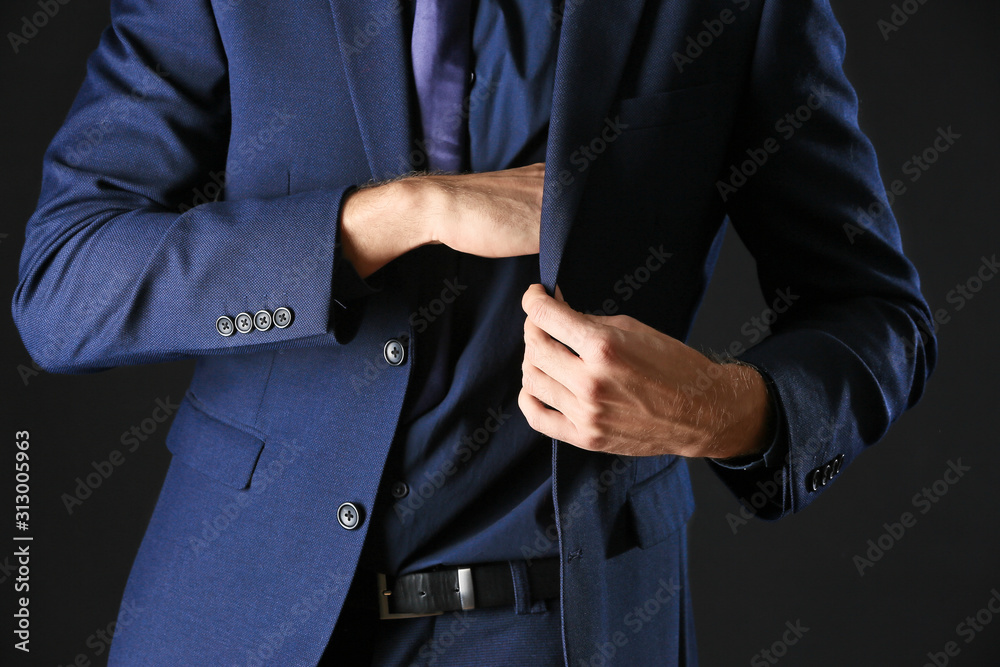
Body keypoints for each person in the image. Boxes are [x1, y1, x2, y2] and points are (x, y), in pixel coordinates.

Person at [12, 0, 936, 664]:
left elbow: (878, 312)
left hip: (563, 625)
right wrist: (400, 213)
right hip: (238, 610)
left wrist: (716, 408)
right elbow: (63, 282)